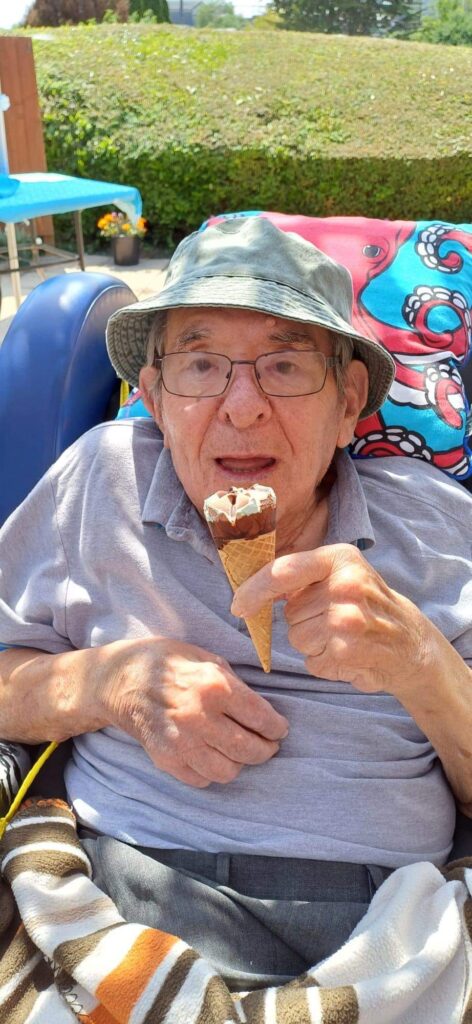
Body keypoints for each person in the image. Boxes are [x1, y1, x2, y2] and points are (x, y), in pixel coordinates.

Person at [0, 216, 471, 993]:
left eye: (286, 365)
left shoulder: (440, 525)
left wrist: (423, 663)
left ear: (349, 402)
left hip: (387, 934)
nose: (242, 406)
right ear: (154, 397)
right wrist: (110, 682)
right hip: (122, 903)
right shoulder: (98, 483)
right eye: (200, 364)